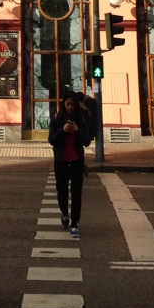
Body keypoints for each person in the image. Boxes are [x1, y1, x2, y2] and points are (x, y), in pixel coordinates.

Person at [48, 89, 92, 239]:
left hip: (76, 161)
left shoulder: (81, 119)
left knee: (76, 193)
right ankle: (64, 213)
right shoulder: (56, 118)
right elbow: (52, 140)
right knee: (62, 191)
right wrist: (64, 131)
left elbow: (87, 141)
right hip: (61, 161)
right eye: (68, 104)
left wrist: (78, 130)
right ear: (63, 104)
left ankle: (74, 224)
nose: (70, 107)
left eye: (73, 105)